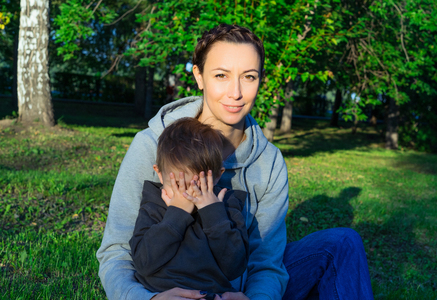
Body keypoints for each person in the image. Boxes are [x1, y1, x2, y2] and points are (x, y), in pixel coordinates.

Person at [97, 23, 374, 300]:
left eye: (249, 77)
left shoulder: (269, 162)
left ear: (260, 80)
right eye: (221, 75)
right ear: (199, 76)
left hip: (238, 284)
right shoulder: (153, 145)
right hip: (168, 285)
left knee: (342, 243)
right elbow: (116, 251)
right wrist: (149, 299)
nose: (236, 92)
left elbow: (267, 262)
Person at [129, 117, 249, 300]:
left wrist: (213, 212)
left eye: (198, 185)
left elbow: (234, 267)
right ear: (159, 174)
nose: (186, 195)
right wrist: (176, 214)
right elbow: (143, 263)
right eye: (177, 184)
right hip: (160, 293)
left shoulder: (226, 204)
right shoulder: (154, 203)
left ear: (217, 176)